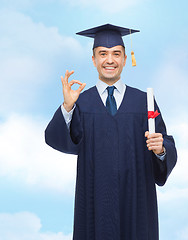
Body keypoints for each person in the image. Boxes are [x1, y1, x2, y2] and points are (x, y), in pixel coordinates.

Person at [45, 24, 177, 240]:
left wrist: (161, 149)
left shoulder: (145, 102)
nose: (109, 60)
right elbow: (57, 139)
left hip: (137, 202)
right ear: (93, 59)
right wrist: (67, 107)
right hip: (95, 202)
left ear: (125, 58)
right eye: (102, 54)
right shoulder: (82, 103)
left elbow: (166, 145)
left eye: (116, 53)